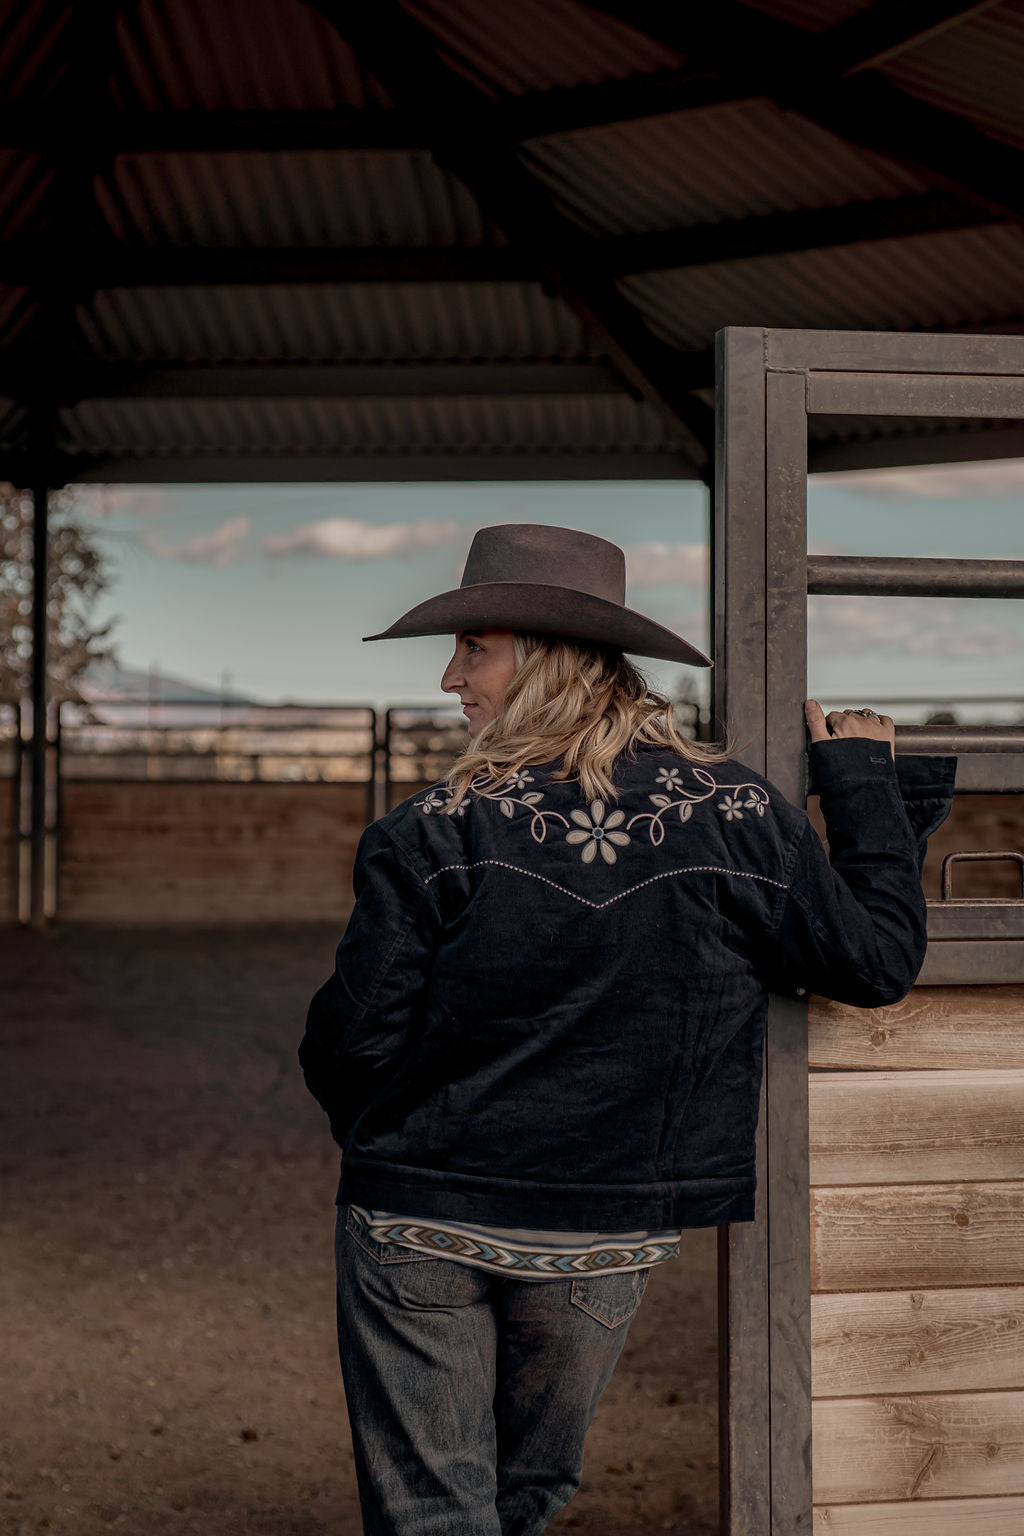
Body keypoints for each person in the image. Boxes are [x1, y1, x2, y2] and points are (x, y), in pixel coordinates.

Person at [299, 523, 955, 1536]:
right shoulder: (736, 814)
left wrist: (404, 1139)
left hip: (420, 1215)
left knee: (436, 1509)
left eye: (472, 647)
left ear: (545, 655)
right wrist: (863, 785)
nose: (448, 677)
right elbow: (871, 961)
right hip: (601, 1226)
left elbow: (349, 1042)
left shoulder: (432, 829)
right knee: (529, 1491)